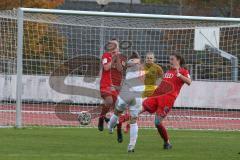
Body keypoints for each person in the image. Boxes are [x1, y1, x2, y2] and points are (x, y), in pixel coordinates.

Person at [142, 53, 191, 149]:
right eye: (170, 59)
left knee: (157, 122)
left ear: (178, 60)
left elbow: (189, 82)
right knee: (139, 108)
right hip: (157, 96)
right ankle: (122, 121)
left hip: (167, 100)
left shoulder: (183, 71)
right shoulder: (168, 71)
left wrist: (179, 75)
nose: (170, 61)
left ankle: (167, 142)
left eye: (172, 59)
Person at [108, 51, 144, 152]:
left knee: (116, 113)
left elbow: (124, 66)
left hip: (126, 94)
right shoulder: (143, 68)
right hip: (137, 96)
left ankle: (110, 128)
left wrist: (117, 57)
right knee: (133, 122)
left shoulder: (128, 67)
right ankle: (131, 146)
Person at [99, 39, 126, 136]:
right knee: (109, 101)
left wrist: (117, 58)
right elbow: (106, 68)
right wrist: (113, 57)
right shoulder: (106, 55)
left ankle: (114, 128)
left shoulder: (122, 57)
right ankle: (101, 117)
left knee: (118, 111)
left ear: (118, 47)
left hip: (116, 87)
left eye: (115, 45)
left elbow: (120, 69)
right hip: (106, 84)